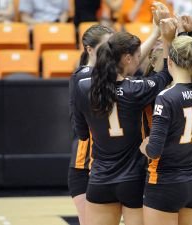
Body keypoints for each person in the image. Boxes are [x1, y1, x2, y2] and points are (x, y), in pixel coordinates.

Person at [73, 4, 172, 225]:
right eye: (137, 56)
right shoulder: (137, 88)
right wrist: (165, 38)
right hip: (133, 178)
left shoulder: (83, 86)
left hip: (100, 178)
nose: (140, 60)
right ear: (127, 59)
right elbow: (165, 75)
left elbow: (81, 132)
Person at [139, 31, 192, 225]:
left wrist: (143, 146)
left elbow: (154, 150)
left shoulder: (166, 96)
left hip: (165, 184)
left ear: (169, 61)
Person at [68, 24, 115, 225]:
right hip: (84, 164)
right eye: (107, 46)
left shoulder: (110, 75)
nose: (112, 51)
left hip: (107, 165)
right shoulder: (83, 76)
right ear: (89, 49)